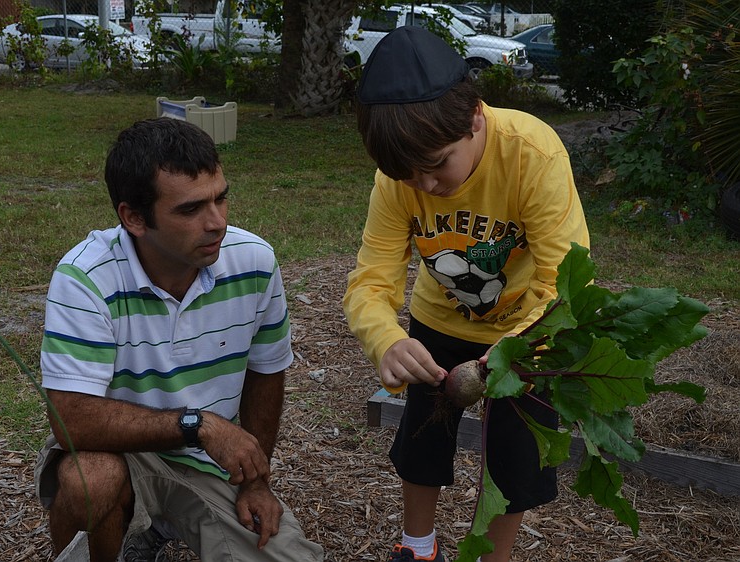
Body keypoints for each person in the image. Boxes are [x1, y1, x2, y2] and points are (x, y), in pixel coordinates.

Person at [343, 26, 590, 562]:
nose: (425, 187)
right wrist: (386, 339)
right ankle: (418, 545)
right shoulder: (400, 179)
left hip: (528, 332)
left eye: (437, 166)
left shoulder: (531, 153)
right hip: (440, 324)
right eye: (409, 177)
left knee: (515, 459)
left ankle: (490, 556)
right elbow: (371, 280)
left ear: (475, 117)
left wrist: (512, 351)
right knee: (421, 442)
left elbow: (564, 281)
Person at [34, 117, 324, 562]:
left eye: (221, 198)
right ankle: (119, 537)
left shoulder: (254, 262)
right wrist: (199, 425)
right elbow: (72, 421)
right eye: (190, 209)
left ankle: (151, 528)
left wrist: (255, 481)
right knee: (90, 480)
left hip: (208, 466)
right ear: (133, 217)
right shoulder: (85, 278)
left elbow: (266, 373)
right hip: (117, 452)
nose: (217, 223)